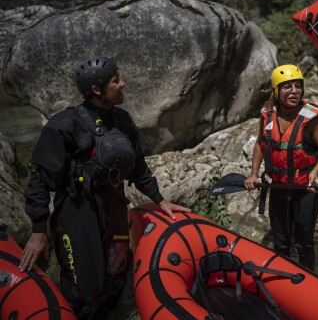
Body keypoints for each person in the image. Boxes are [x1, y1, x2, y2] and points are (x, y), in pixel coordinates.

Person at [18, 56, 190, 319]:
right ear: (97, 90)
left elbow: (138, 167)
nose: (123, 83)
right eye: (115, 80)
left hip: (115, 206)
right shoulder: (64, 125)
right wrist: (39, 230)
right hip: (78, 212)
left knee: (116, 275)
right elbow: (40, 179)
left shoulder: (122, 120)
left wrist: (160, 199)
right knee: (83, 287)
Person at [244, 65, 318, 270]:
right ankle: (281, 278)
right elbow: (260, 143)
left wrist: (315, 171)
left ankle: (309, 281)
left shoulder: (312, 119)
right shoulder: (267, 115)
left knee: (303, 243)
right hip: (278, 188)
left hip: (305, 188)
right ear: (276, 91)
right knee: (281, 241)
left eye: (298, 86)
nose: (294, 91)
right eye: (287, 87)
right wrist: (254, 174)